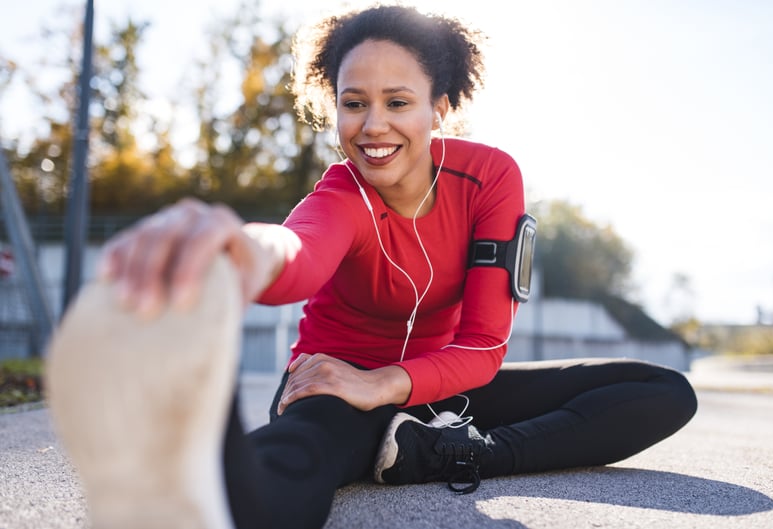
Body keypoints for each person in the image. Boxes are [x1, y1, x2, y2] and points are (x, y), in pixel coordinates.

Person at [45, 4, 698, 529]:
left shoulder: (490, 176)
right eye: (354, 103)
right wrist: (235, 250)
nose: (373, 125)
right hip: (333, 385)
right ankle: (194, 472)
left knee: (662, 391)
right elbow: (294, 252)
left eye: (397, 101)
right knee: (293, 466)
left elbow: (483, 345)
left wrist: (389, 385)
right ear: (334, 109)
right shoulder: (340, 197)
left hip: (435, 390)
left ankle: (441, 452)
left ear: (439, 107)